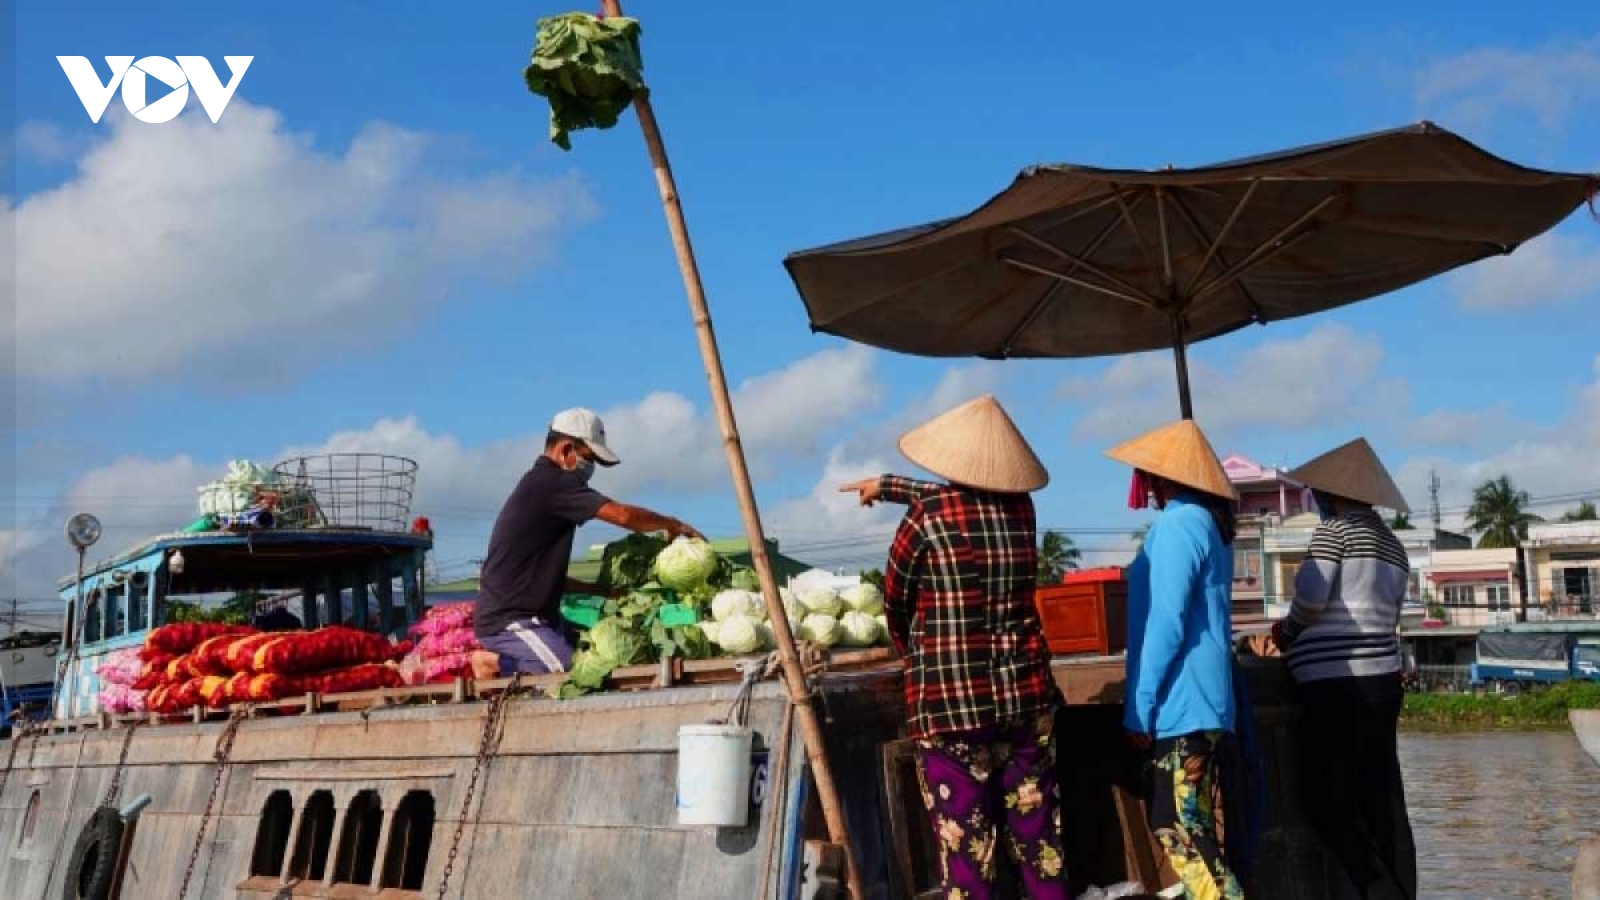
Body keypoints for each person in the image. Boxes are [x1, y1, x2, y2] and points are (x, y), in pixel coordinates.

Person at [840, 395, 1067, 900]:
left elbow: (894, 598)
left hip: (950, 712)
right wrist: (890, 485)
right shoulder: (1023, 511)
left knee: (968, 853)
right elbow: (956, 501)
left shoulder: (927, 518)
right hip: (1027, 702)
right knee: (1039, 846)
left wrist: (917, 658)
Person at [1271, 438, 1416, 900]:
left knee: (1326, 803)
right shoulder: (1393, 546)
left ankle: (1379, 893)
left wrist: (1285, 635)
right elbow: (1389, 618)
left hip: (1337, 684)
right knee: (1381, 800)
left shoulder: (1333, 534)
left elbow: (1311, 602)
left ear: (1331, 494)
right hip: (1382, 681)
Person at [1107, 419, 1244, 900]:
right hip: (1203, 702)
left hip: (1181, 702)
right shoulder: (1207, 522)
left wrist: (1139, 705)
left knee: (1177, 827)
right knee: (1192, 823)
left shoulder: (1178, 523)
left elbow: (1166, 620)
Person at [473, 408, 702, 675]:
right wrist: (671, 523)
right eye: (589, 458)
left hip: (541, 618)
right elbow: (623, 515)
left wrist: (602, 591)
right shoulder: (551, 482)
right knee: (567, 670)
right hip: (511, 620)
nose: (590, 468)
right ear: (565, 449)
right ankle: (490, 661)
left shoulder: (546, 488)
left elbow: (545, 578)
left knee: (599, 657)